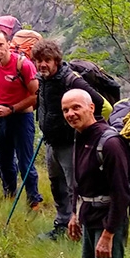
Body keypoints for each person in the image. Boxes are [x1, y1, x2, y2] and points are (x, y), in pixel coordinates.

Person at [32, 39, 109, 241]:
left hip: (70, 143)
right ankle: (62, 224)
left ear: (56, 60)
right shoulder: (44, 80)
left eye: (47, 60)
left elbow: (100, 104)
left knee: (75, 186)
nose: (42, 65)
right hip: (51, 141)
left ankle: (81, 229)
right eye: (38, 61)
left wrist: (87, 132)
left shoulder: (71, 80)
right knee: (57, 184)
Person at [64, 88, 130, 258]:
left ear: (91, 108)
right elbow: (78, 182)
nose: (70, 113)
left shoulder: (110, 143)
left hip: (108, 222)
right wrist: (74, 214)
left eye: (76, 107)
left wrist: (109, 234)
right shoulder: (79, 136)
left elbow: (121, 194)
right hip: (88, 217)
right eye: (66, 110)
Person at [0, 29, 42, 207]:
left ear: (8, 44)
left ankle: (34, 201)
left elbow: (36, 95)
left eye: (1, 44)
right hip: (0, 117)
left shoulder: (23, 65)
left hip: (22, 118)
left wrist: (12, 109)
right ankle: (10, 196)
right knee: (5, 160)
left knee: (25, 162)